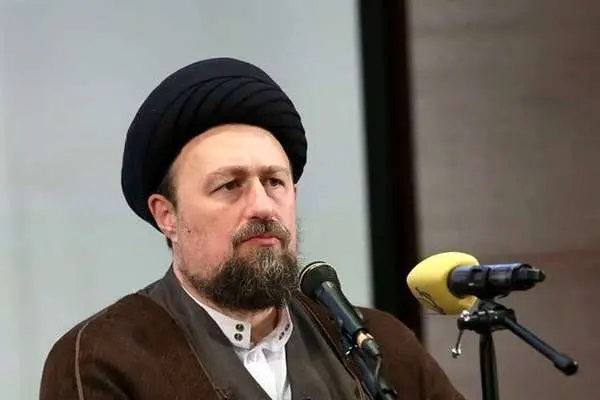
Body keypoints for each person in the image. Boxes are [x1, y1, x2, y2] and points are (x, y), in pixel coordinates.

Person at [39, 57, 465, 400]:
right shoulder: (104, 357)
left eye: (274, 182)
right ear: (167, 215)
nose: (262, 206)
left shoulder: (377, 346)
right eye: (230, 185)